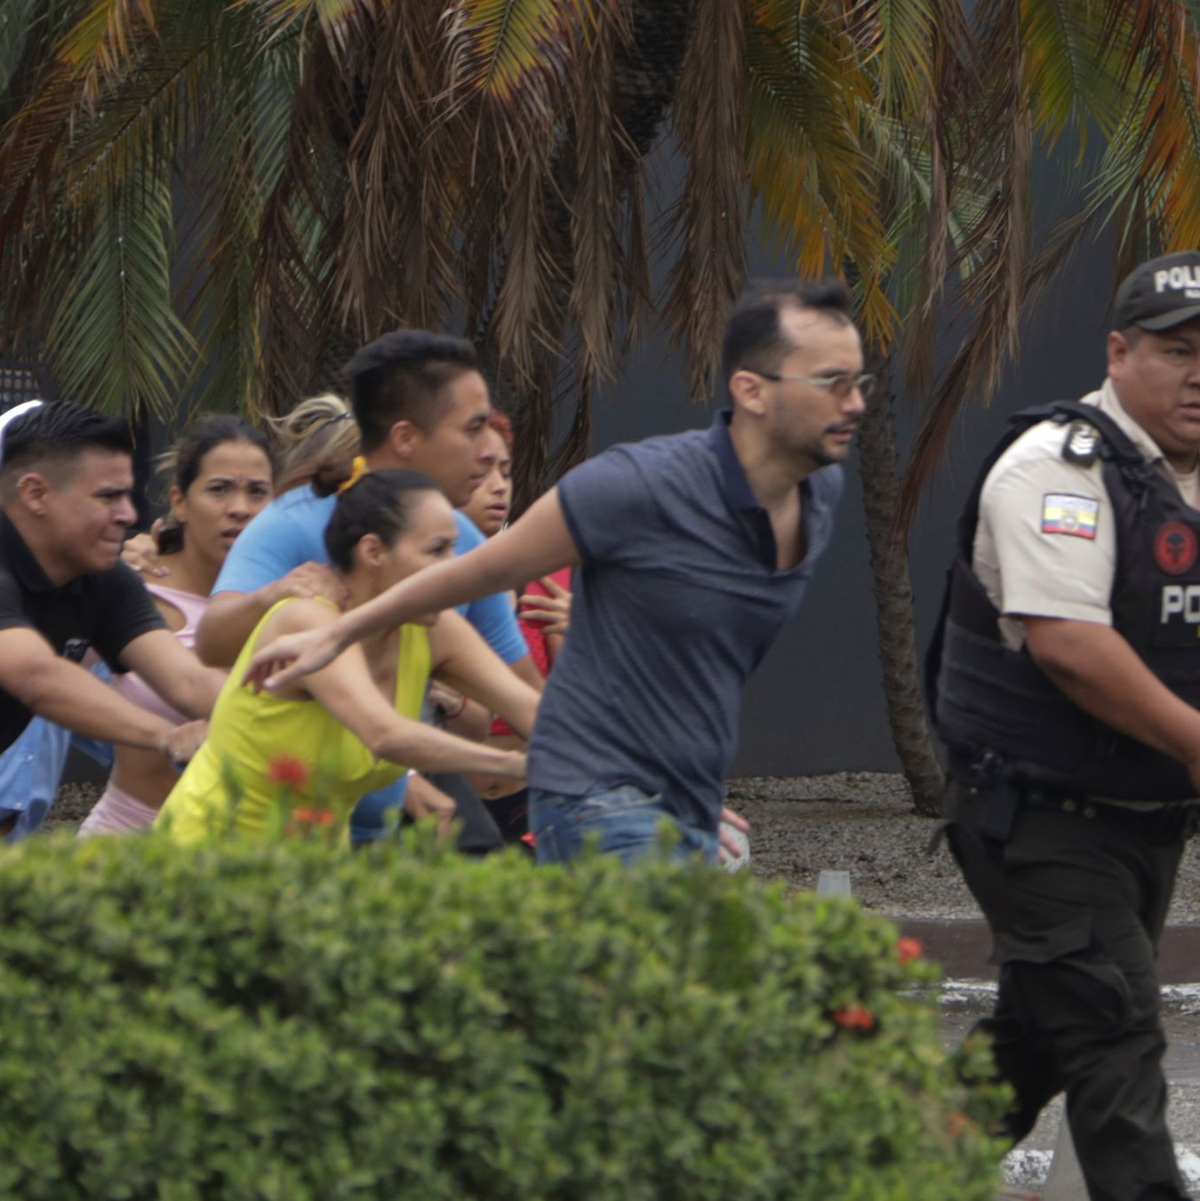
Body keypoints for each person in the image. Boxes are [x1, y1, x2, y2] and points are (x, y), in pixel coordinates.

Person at [246, 279, 867, 865]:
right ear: (751, 391)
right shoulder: (635, 486)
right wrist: (335, 633)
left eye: (858, 382)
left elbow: (518, 688)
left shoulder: (819, 493)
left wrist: (678, 782)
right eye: (832, 383)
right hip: (598, 804)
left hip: (669, 796)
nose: (856, 403)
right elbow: (473, 580)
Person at [925, 250, 1200, 1201]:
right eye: (1177, 351)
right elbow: (1069, 645)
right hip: (1039, 816)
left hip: (1145, 821)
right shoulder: (1056, 468)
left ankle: (875, 1173)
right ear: (1118, 353)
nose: (1198, 374)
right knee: (1116, 1036)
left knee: (1040, 1038)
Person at [195, 335, 538, 849]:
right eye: (472, 429)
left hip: (350, 841)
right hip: (231, 851)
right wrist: (274, 597)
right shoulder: (293, 525)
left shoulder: (463, 549)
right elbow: (211, 646)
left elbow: (528, 700)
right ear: (405, 436)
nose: (489, 449)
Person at [157, 468, 537, 844]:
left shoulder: (435, 628)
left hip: (311, 868)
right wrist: (516, 764)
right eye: (437, 549)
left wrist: (563, 750)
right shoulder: (308, 620)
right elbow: (385, 735)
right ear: (373, 551)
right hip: (206, 852)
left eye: (454, 549)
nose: (454, 566)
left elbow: (530, 708)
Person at [0, 401, 225, 838]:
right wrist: (167, 736)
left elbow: (189, 682)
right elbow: (37, 677)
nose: (128, 514)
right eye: (107, 496)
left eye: (126, 494)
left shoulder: (103, 580)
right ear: (35, 493)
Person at [78, 416, 275, 836]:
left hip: (258, 852)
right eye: (219, 489)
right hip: (130, 841)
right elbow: (43, 675)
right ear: (179, 501)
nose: (240, 508)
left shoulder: (293, 598)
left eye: (257, 492)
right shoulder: (134, 591)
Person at [453, 409, 572, 843]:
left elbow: (572, 707)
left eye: (505, 471)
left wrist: (583, 634)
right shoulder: (410, 580)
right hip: (443, 802)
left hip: (531, 802)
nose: (499, 485)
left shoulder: (543, 576)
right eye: (482, 471)